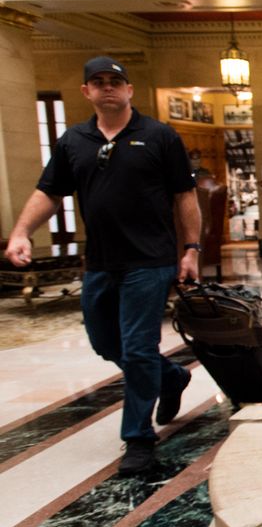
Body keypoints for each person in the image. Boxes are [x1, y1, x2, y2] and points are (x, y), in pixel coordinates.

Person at [3, 56, 200, 477]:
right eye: (99, 82)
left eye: (116, 81)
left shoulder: (159, 136)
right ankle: (171, 377)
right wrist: (21, 231)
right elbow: (49, 192)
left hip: (150, 259)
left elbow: (185, 196)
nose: (108, 87)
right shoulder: (74, 141)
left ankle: (138, 439)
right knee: (105, 342)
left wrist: (191, 250)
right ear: (86, 92)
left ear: (129, 90)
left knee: (136, 346)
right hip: (100, 263)